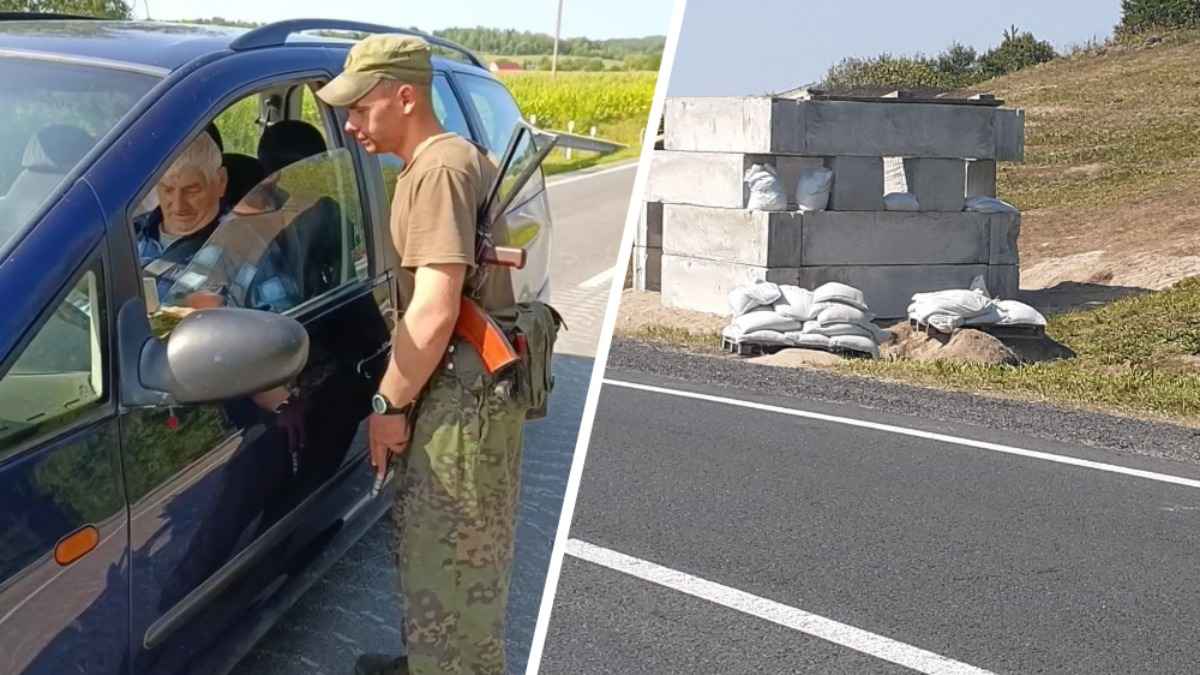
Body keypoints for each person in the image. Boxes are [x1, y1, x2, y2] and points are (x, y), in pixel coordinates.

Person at [316, 35, 536, 675]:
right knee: (434, 553)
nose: (351, 124)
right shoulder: (436, 163)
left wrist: (387, 402)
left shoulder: (439, 170)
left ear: (405, 95)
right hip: (456, 389)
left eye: (360, 108)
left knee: (456, 564)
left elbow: (436, 307)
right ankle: (428, 660)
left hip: (461, 397)